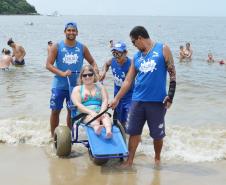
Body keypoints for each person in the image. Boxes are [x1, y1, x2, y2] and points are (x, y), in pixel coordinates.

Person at [110, 26, 176, 168]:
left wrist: (170, 95)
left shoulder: (163, 49)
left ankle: (157, 159)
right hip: (137, 100)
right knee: (133, 132)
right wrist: (116, 99)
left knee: (157, 135)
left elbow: (172, 74)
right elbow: (128, 81)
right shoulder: (136, 57)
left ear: (140, 38)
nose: (133, 45)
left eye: (134, 42)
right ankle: (129, 162)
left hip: (157, 102)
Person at [46, 22, 100, 137]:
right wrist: (62, 73)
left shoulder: (82, 47)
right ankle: (53, 137)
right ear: (65, 31)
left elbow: (93, 62)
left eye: (73, 30)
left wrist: (95, 71)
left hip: (75, 86)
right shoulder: (57, 46)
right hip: (59, 85)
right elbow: (48, 65)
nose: (71, 32)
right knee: (55, 111)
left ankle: (69, 137)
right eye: (69, 30)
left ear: (77, 32)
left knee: (72, 111)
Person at [71, 65, 112, 138]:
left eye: (90, 74)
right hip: (85, 114)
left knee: (106, 117)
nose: (87, 77)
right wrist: (91, 112)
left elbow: (105, 100)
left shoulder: (100, 87)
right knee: (92, 118)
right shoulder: (77, 89)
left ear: (94, 75)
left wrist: (101, 113)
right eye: (84, 75)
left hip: (100, 111)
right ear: (81, 77)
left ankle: (108, 131)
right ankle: (97, 129)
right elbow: (78, 105)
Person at [100, 41, 133, 129]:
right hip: (117, 96)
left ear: (125, 53)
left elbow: (128, 83)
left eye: (119, 54)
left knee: (130, 122)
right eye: (114, 53)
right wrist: (103, 72)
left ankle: (132, 139)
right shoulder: (113, 60)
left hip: (130, 97)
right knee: (118, 121)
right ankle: (121, 138)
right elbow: (106, 64)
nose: (116, 56)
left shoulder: (131, 65)